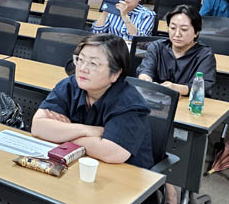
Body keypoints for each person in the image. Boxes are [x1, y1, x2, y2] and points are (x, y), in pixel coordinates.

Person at [31, 34, 153, 169]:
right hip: (81, 167)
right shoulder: (69, 85)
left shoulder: (129, 103)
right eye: (80, 60)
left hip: (126, 178)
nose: (83, 68)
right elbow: (38, 127)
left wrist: (61, 133)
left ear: (115, 74)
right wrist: (89, 130)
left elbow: (111, 153)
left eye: (93, 64)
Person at [137, 4, 216, 97]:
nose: (177, 34)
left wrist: (175, 88)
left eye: (184, 29)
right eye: (173, 28)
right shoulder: (157, 47)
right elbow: (146, 69)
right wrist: (145, 79)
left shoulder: (205, 55)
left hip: (189, 104)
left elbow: (204, 86)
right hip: (156, 102)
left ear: (196, 32)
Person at [92, 0, 156, 40]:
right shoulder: (114, 9)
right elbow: (96, 33)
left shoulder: (147, 15)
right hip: (112, 47)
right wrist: (105, 13)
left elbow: (141, 40)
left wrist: (125, 16)